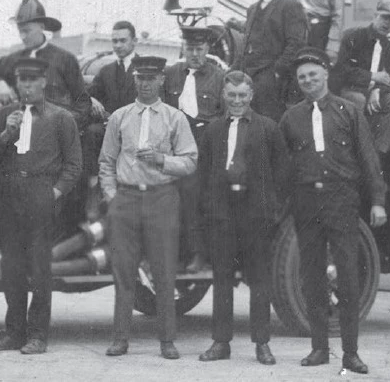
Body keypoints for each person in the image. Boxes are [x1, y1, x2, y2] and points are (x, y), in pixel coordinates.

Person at [280, 49, 386, 375]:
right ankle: (319, 348)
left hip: (342, 200)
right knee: (311, 276)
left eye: (313, 74)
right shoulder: (291, 118)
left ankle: (351, 353)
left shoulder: (349, 112)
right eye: (302, 78)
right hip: (306, 202)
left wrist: (378, 201)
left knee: (348, 277)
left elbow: (369, 159)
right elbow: (284, 168)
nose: (308, 81)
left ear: (325, 74)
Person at [0, 57, 82, 355]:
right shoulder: (5, 115)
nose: (26, 86)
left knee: (39, 268)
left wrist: (54, 192)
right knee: (11, 267)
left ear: (43, 83)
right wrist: (6, 133)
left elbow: (74, 164)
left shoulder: (60, 118)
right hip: (9, 193)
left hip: (41, 192)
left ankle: (38, 335)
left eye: (31, 81)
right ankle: (14, 332)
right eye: (21, 81)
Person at [99, 56, 197, 360]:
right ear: (134, 80)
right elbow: (106, 161)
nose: (145, 83)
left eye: (151, 78)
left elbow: (191, 160)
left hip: (161, 198)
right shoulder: (120, 117)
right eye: (140, 77)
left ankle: (167, 339)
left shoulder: (174, 118)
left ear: (161, 81)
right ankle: (120, 338)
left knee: (164, 271)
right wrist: (112, 196)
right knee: (124, 272)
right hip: (126, 199)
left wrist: (162, 161)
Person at [0, 0, 94, 238]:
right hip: (21, 131)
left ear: (41, 27)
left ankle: (73, 225)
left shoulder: (64, 59)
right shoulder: (14, 59)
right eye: (19, 30)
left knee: (74, 164)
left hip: (57, 131)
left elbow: (83, 102)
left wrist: (66, 125)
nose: (22, 35)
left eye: (26, 30)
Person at [197, 71, 288, 366]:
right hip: (223, 213)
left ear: (251, 96)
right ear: (224, 96)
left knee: (259, 280)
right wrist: (210, 209)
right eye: (231, 95)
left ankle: (262, 344)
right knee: (222, 279)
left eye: (242, 96)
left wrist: (271, 211)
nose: (237, 101)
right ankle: (221, 342)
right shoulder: (212, 129)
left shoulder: (268, 128)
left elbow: (282, 174)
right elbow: (203, 173)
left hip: (255, 214)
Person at [164, 26, 227, 272]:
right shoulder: (171, 74)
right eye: (190, 49)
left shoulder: (219, 76)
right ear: (183, 48)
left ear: (208, 49)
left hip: (205, 145)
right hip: (175, 145)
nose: (195, 54)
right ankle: (173, 255)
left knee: (192, 197)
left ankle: (197, 255)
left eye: (200, 49)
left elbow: (224, 116)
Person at [330, 0, 390, 154]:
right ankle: (350, 149)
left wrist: (379, 90)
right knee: (358, 99)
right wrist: (371, 76)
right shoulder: (353, 37)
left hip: (374, 93)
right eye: (385, 17)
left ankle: (377, 151)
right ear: (375, 15)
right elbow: (341, 70)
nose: (387, 24)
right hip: (349, 91)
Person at [239, 0, 308, 122]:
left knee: (267, 124)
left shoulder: (289, 6)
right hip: (249, 74)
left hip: (272, 80)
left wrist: (277, 72)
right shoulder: (252, 9)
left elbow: (296, 44)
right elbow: (246, 44)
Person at [88, 20, 140, 115]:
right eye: (115, 41)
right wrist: (92, 100)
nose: (118, 45)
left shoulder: (144, 68)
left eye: (123, 40)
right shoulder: (106, 71)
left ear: (134, 41)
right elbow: (89, 94)